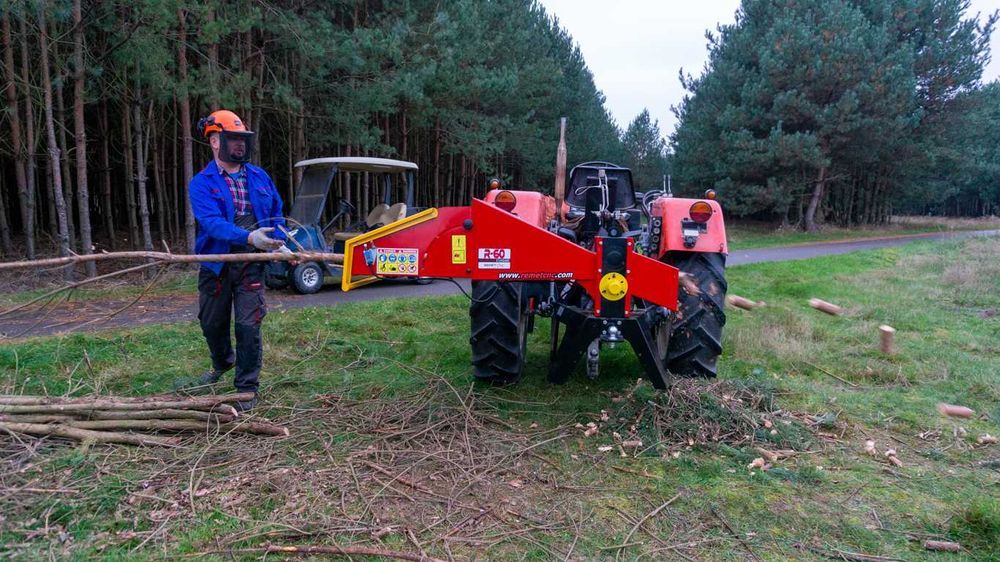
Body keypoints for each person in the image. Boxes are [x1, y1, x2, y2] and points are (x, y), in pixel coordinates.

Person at [187, 109, 287, 411]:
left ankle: (246, 388)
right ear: (215, 141)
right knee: (212, 323)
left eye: (243, 139)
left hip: (251, 264)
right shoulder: (201, 183)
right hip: (217, 264)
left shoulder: (259, 177)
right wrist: (248, 237)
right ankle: (222, 361)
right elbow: (212, 223)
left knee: (248, 325)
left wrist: (279, 242)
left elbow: (276, 212)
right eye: (234, 139)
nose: (241, 144)